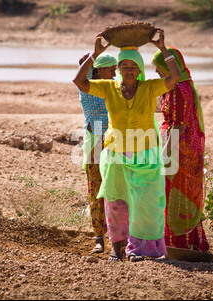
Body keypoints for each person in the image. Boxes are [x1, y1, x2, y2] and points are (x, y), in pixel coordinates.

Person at [73, 29, 181, 262]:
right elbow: (79, 82)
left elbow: (174, 79)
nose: (128, 71)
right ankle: (116, 248)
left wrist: (163, 50)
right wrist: (95, 54)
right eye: (124, 67)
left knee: (146, 203)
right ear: (119, 70)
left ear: (140, 70)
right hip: (115, 154)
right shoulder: (109, 88)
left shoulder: (149, 88)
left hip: (145, 156)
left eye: (133, 67)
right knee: (116, 203)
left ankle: (141, 250)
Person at [152, 46, 209, 252]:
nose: (157, 71)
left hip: (177, 148)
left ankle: (176, 243)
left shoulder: (177, 89)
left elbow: (177, 125)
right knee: (183, 193)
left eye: (159, 67)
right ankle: (188, 241)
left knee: (173, 192)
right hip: (185, 148)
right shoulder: (186, 84)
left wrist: (166, 153)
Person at [77, 52, 117, 254]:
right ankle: (99, 238)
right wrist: (94, 54)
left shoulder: (115, 87)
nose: (115, 73)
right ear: (99, 69)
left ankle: (115, 238)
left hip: (114, 142)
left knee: (114, 190)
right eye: (112, 70)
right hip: (95, 144)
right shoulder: (88, 87)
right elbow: (80, 75)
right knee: (96, 191)